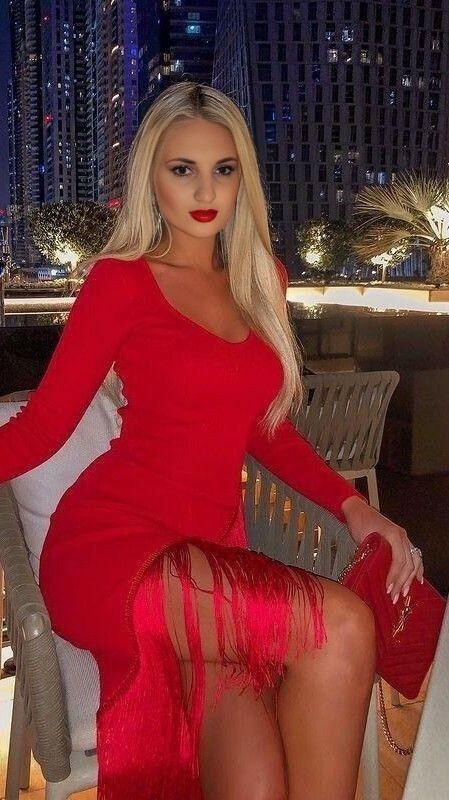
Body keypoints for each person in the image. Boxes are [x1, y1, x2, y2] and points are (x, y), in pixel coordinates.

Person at [0, 82, 423, 800]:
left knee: (256, 783)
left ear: (242, 178)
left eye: (222, 169)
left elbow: (267, 430)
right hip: (114, 553)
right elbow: (43, 427)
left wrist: (357, 509)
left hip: (210, 556)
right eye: (182, 169)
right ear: (151, 178)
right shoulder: (121, 282)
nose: (204, 191)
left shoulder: (262, 281)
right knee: (344, 626)